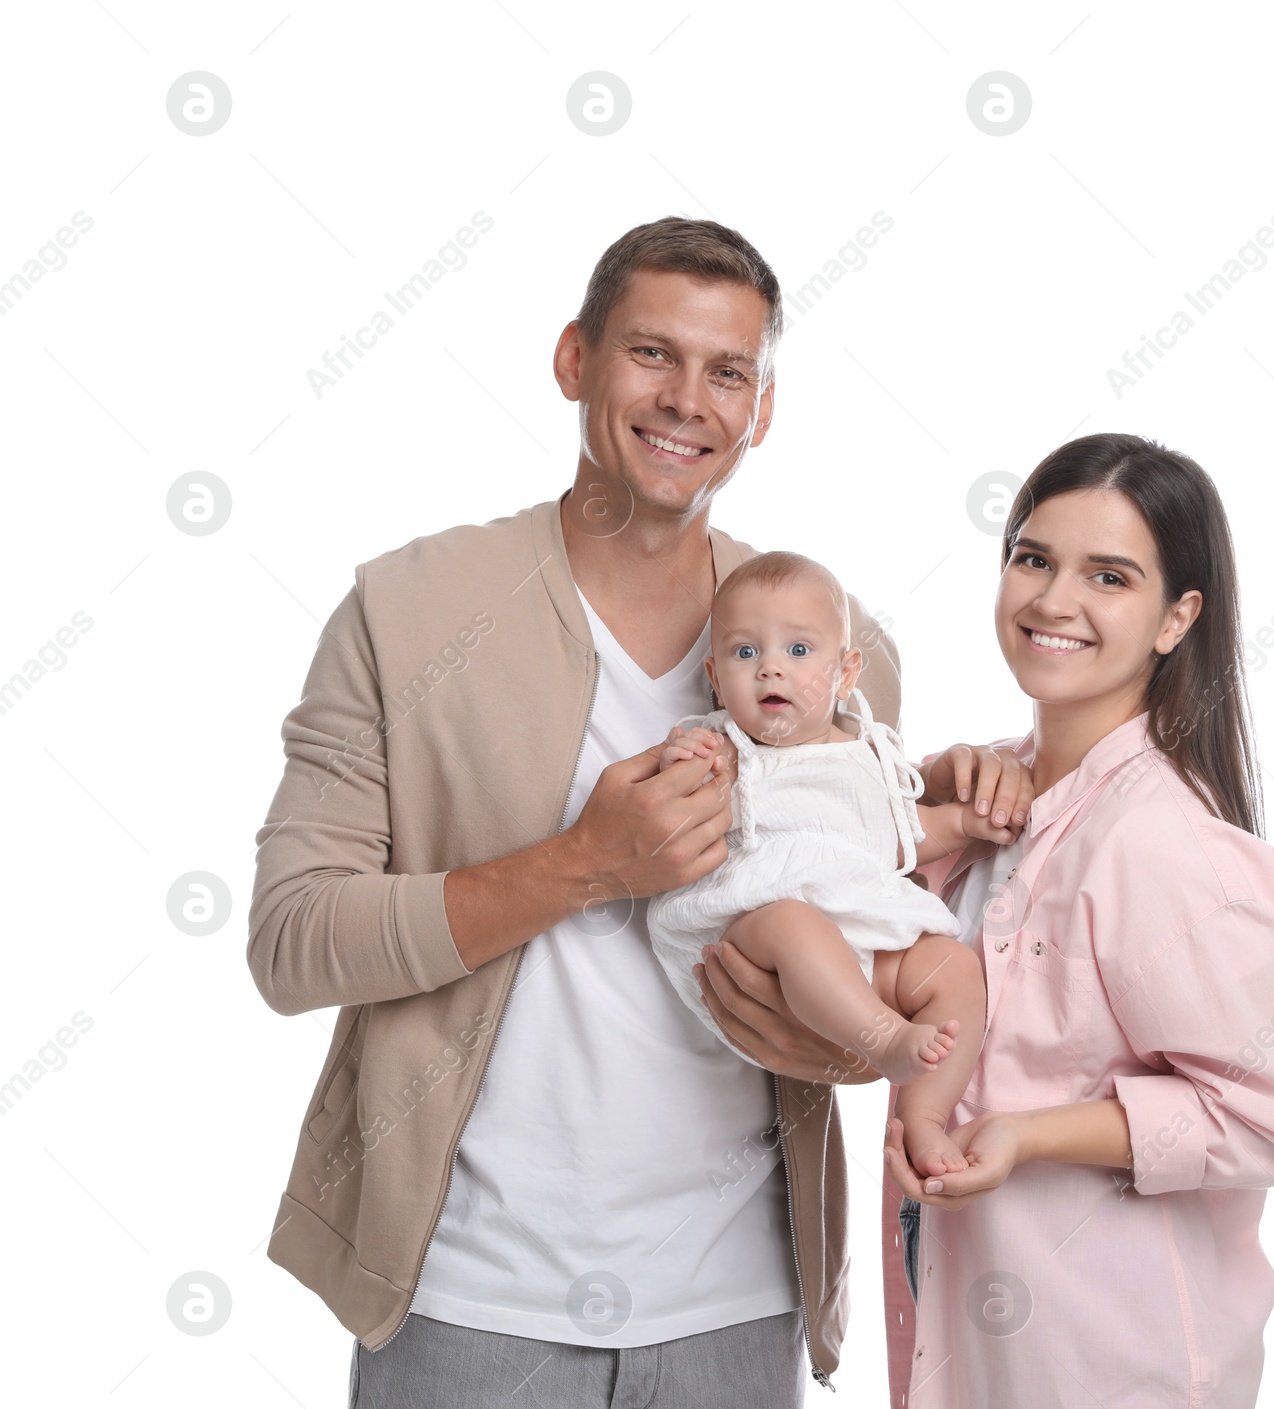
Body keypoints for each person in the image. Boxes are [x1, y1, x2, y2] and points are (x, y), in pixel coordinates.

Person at [247, 215, 1003, 1406]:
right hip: (465, 1303)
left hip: (737, 1306)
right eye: (652, 353)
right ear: (573, 362)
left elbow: (874, 931)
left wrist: (861, 1023)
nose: (687, 400)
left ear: (761, 410)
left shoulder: (834, 651)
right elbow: (292, 942)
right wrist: (584, 865)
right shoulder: (404, 614)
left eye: (728, 371)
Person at [873, 433, 1274, 1407]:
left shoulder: (1168, 844)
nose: (1052, 599)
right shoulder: (984, 795)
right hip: (965, 1328)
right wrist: (925, 789)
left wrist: (1029, 1135)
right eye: (1032, 557)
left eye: (1109, 576)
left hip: (1110, 1359)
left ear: (1177, 618)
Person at [647, 550, 1015, 1178]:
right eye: (744, 653)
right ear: (714, 675)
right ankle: (883, 1038)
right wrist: (682, 761)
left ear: (846, 672)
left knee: (954, 969)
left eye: (798, 651)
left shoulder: (870, 752)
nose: (770, 669)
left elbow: (896, 837)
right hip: (754, 931)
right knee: (792, 922)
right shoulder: (727, 751)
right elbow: (668, 822)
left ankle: (924, 1118)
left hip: (860, 923)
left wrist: (961, 824)